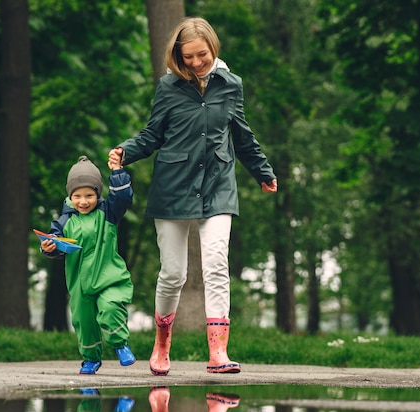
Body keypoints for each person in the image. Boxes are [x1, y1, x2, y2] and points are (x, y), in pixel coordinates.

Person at [109, 16, 277, 376]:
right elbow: (152, 135)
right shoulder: (168, 87)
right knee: (173, 274)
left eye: (202, 55)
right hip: (173, 188)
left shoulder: (232, 85)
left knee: (216, 264)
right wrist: (125, 151)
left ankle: (218, 352)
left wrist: (262, 171)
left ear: (212, 48)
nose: (197, 63)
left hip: (218, 185)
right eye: (189, 58)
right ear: (178, 57)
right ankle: (162, 341)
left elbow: (242, 135)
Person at [40, 154, 136, 375]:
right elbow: (54, 243)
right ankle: (91, 358)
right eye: (77, 196)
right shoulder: (64, 221)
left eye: (89, 195)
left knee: (111, 307)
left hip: (108, 277)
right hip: (80, 283)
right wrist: (48, 248)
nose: (83, 201)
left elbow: (122, 198)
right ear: (70, 196)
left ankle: (120, 345)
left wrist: (118, 172)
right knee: (84, 321)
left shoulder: (108, 213)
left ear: (97, 194)